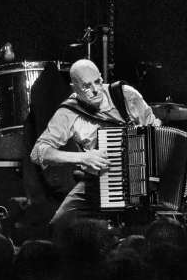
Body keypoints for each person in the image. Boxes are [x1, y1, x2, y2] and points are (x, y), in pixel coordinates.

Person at [29, 59, 160, 233]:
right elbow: (38, 153)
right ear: (74, 88)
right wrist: (83, 157)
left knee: (155, 230)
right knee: (57, 227)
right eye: (86, 86)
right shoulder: (68, 113)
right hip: (97, 183)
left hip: (140, 179)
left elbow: (154, 129)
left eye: (98, 81)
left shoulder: (126, 95)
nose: (95, 90)